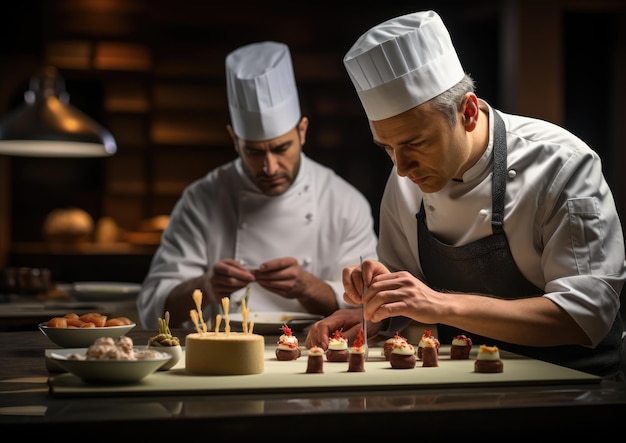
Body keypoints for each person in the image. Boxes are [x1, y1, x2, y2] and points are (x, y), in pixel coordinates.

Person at [305, 10, 626, 380]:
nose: (402, 166)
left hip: (573, 387)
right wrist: (377, 311)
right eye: (387, 148)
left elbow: (584, 318)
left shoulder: (562, 164)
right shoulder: (405, 175)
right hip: (462, 384)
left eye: (416, 143)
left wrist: (440, 305)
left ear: (468, 112)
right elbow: (405, 284)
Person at [137, 41, 378, 329]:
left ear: (302, 132)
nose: (269, 167)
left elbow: (368, 307)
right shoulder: (201, 199)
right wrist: (205, 287)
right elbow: (152, 308)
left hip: (311, 352)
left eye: (281, 148)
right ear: (234, 140)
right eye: (253, 151)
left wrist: (308, 287)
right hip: (222, 353)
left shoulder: (344, 202)